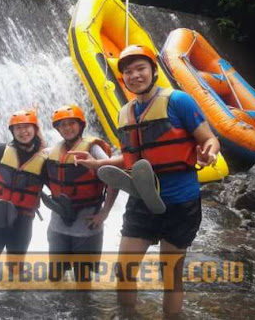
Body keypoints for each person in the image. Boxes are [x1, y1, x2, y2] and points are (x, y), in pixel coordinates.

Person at [71, 45, 220, 317]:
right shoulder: (124, 113)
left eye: (140, 68)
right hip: (141, 199)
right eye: (128, 72)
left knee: (170, 276)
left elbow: (209, 138)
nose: (134, 75)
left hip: (180, 202)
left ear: (153, 70)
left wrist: (209, 151)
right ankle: (128, 315)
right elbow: (131, 159)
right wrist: (97, 163)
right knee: (124, 271)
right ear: (123, 78)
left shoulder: (179, 101)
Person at [43, 104, 118, 257]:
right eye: (62, 125)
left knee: (83, 278)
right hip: (58, 225)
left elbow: (114, 178)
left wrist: (104, 213)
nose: (67, 128)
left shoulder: (93, 149)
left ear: (80, 125)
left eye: (71, 123)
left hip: (88, 225)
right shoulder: (52, 152)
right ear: (57, 129)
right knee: (56, 277)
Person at [0, 109, 47, 255]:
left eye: (27, 127)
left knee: (15, 271)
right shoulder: (2, 151)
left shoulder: (44, 161)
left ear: (35, 129)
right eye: (18, 128)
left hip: (23, 221)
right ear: (12, 132)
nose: (23, 132)